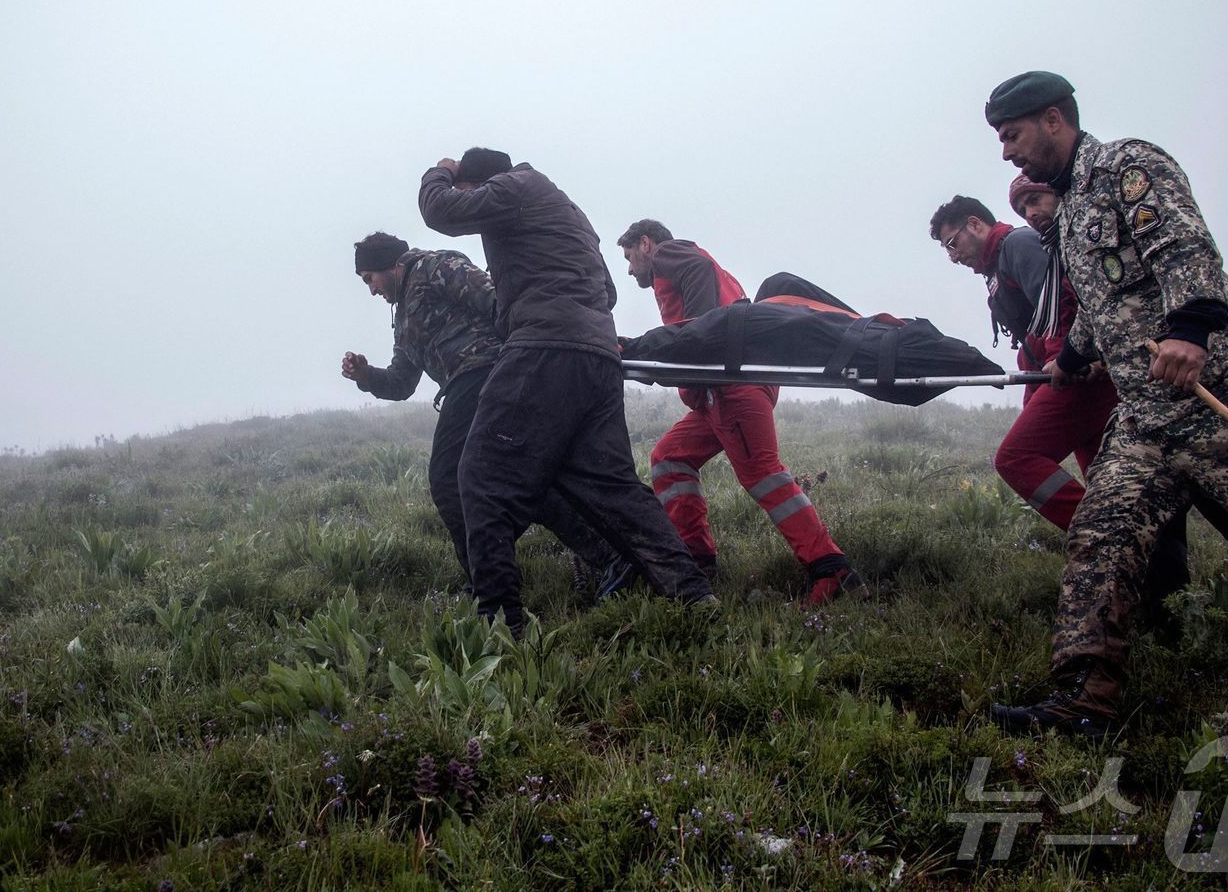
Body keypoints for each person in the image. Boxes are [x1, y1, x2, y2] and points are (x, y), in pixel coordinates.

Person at [983, 70, 1228, 735]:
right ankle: (1084, 700)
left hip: (1217, 394)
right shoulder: (1068, 215)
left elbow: (1184, 251)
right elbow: (1105, 301)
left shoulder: (1128, 167)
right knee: (1104, 532)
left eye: (1013, 136)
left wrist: (1191, 329)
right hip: (1148, 418)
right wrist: (1071, 358)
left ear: (1054, 120)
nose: (1007, 152)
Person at [418, 149, 716, 633]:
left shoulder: (515, 187)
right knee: (614, 487)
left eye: (472, 194)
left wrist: (443, 172)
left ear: (482, 182)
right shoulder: (567, 211)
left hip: (543, 348)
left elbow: (439, 211)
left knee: (477, 476)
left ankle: (501, 625)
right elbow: (608, 292)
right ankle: (693, 594)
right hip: (595, 356)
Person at [341, 231, 630, 591]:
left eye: (370, 279)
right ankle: (609, 558)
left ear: (392, 265)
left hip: (487, 372)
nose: (371, 290)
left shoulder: (436, 267)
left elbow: (497, 300)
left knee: (448, 480)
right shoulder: (403, 318)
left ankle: (487, 582)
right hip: (467, 383)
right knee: (520, 480)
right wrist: (367, 376)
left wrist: (534, 355)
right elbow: (402, 382)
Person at [616, 219, 870, 605]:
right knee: (669, 458)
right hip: (725, 390)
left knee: (763, 475)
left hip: (731, 388)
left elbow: (700, 316)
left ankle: (832, 570)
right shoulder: (689, 273)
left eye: (629, 256)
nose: (630, 268)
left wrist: (701, 333)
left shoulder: (671, 254)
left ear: (646, 244)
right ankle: (697, 561)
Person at [928, 193, 1118, 529]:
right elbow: (1033, 335)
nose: (953, 257)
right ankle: (1155, 564)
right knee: (1108, 480)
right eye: (947, 250)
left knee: (1015, 458)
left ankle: (1100, 533)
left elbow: (1061, 300)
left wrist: (1064, 357)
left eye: (953, 243)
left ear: (975, 224)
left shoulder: (1018, 244)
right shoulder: (996, 267)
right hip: (1069, 376)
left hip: (1081, 374)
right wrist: (1034, 395)